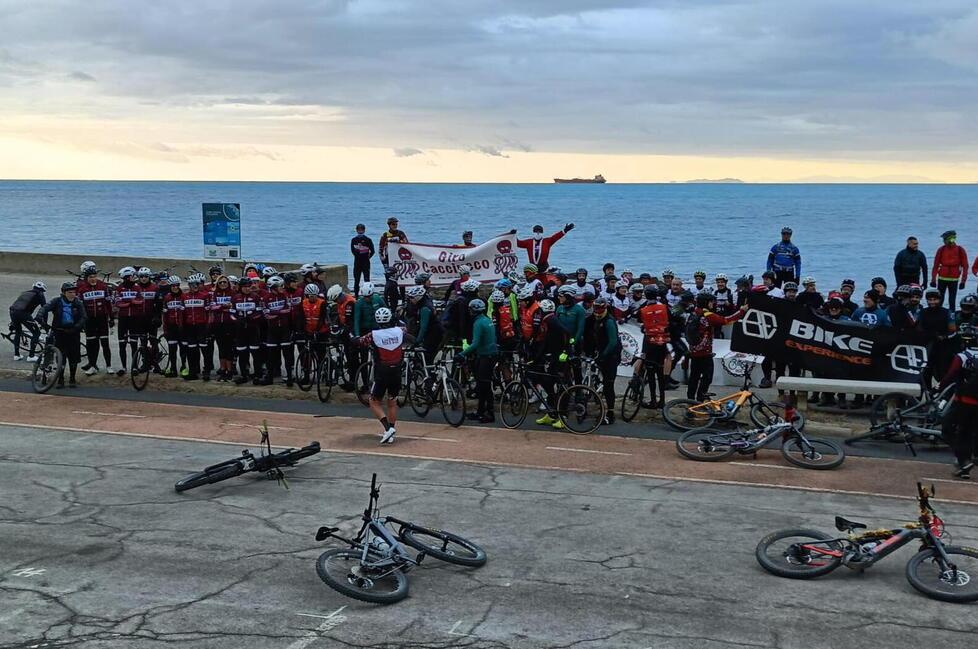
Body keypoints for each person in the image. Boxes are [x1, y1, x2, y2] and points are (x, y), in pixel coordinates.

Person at [354, 307, 414, 444]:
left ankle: (387, 428)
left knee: (373, 401)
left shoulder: (374, 334)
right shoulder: (400, 331)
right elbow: (410, 335)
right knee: (392, 402)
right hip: (397, 370)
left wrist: (352, 337)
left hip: (382, 372)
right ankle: (391, 431)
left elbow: (359, 342)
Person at [686, 293, 748, 402]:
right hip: (705, 352)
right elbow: (727, 320)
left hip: (693, 350)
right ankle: (701, 398)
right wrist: (741, 311)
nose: (712, 304)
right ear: (706, 303)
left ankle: (690, 399)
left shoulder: (693, 313)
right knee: (707, 377)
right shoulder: (708, 315)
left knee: (694, 377)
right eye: (711, 301)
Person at [939, 324, 978, 479]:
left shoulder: (962, 356)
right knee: (970, 431)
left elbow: (950, 375)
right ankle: (966, 461)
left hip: (963, 400)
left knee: (949, 429)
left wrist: (939, 386)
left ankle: (963, 460)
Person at [36, 282, 86, 388]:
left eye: (74, 292)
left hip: (73, 333)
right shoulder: (57, 301)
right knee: (61, 357)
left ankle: (72, 378)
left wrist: (76, 328)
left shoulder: (78, 302)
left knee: (73, 357)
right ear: (63, 293)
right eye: (70, 292)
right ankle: (60, 379)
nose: (73, 294)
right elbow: (45, 308)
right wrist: (40, 316)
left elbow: (83, 317)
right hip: (59, 332)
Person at [458, 299, 498, 423]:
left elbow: (475, 343)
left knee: (485, 385)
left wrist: (462, 354)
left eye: (470, 309)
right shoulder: (487, 320)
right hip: (491, 354)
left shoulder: (478, 323)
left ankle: (490, 414)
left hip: (485, 356)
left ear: (474, 310)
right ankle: (480, 411)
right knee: (482, 385)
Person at [76, 263, 115, 375]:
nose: (93, 279)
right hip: (89, 320)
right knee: (91, 344)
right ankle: (92, 365)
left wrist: (111, 318)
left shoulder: (103, 286)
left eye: (94, 277)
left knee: (105, 343)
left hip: (102, 318)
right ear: (86, 278)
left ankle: (109, 366)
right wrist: (81, 321)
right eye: (90, 277)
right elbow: (79, 307)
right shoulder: (82, 289)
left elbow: (108, 304)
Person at [591, 296, 621, 425]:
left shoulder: (608, 321)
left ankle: (610, 413)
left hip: (611, 357)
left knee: (609, 385)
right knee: (600, 381)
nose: (597, 311)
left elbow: (613, 342)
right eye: (595, 308)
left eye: (599, 309)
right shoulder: (597, 318)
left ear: (605, 308)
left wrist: (603, 356)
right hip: (601, 354)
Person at [919, 287, 956, 390]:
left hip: (943, 347)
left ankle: (943, 396)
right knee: (926, 373)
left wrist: (944, 337)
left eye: (935, 299)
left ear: (940, 300)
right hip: (928, 347)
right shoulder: (922, 312)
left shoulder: (947, 312)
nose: (932, 302)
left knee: (942, 374)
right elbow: (919, 329)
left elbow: (953, 330)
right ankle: (926, 398)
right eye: (929, 300)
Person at [230, 278, 266, 385]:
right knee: (242, 353)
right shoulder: (235, 298)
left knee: (255, 353)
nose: (246, 289)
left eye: (248, 286)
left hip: (253, 329)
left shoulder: (256, 297)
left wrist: (251, 318)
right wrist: (237, 320)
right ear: (240, 287)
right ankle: (244, 374)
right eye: (244, 286)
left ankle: (257, 374)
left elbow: (260, 313)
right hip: (240, 330)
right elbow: (232, 314)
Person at [262, 275, 295, 386]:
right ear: (273, 287)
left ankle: (289, 377)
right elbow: (267, 314)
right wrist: (280, 312)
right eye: (280, 286)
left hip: (285, 329)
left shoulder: (285, 296)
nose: (282, 287)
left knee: (287, 355)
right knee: (271, 356)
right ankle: (269, 378)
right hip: (272, 330)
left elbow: (289, 310)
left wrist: (275, 312)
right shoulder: (265, 298)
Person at [180, 273, 211, 381]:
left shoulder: (205, 296)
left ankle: (206, 371)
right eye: (192, 284)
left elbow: (209, 313)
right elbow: (182, 313)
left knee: (205, 350)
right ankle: (193, 371)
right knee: (191, 350)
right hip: (189, 327)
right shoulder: (184, 296)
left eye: (197, 284)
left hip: (201, 326)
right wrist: (182, 326)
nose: (195, 286)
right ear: (189, 285)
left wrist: (208, 326)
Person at [8, 281, 46, 361]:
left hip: (13, 312)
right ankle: (31, 356)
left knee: (18, 332)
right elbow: (44, 309)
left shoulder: (25, 292)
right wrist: (44, 323)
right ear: (42, 290)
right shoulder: (40, 294)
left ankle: (17, 355)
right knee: (36, 333)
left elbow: (18, 304)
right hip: (23, 314)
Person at [208, 275, 236, 381]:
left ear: (228, 283)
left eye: (225, 282)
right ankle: (222, 368)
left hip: (230, 323)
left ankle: (229, 370)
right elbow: (212, 307)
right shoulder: (215, 294)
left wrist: (221, 307)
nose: (223, 284)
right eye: (220, 283)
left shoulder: (233, 293)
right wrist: (224, 306)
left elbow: (233, 306)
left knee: (229, 347)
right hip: (217, 324)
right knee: (221, 347)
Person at [404, 285, 442, 364]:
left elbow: (423, 327)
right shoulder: (425, 302)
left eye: (411, 298)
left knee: (427, 356)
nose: (410, 300)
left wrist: (417, 341)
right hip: (433, 331)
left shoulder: (425, 308)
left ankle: (429, 374)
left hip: (434, 333)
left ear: (418, 297)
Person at [932, 230, 969, 309]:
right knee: (939, 300)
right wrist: (933, 280)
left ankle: (952, 316)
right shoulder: (941, 249)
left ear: (951, 239)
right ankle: (938, 315)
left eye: (945, 239)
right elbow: (935, 266)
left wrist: (963, 281)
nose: (943, 241)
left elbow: (965, 267)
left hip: (954, 280)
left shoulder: (960, 250)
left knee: (952, 300)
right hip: (942, 279)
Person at [161, 276, 185, 378]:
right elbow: (164, 315)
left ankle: (184, 367)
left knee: (183, 349)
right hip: (171, 327)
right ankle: (173, 368)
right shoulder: (167, 298)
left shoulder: (184, 297)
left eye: (177, 285)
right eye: (173, 286)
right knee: (172, 349)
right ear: (170, 286)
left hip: (182, 327)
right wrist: (165, 329)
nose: (175, 287)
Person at [350, 223, 375, 297]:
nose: (360, 231)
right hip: (357, 262)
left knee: (367, 280)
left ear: (364, 230)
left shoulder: (368, 240)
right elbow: (352, 250)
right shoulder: (354, 240)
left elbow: (373, 251)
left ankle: (368, 295)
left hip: (366, 262)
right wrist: (358, 255)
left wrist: (367, 257)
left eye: (362, 230)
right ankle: (356, 295)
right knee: (356, 280)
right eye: (359, 230)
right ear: (356, 230)